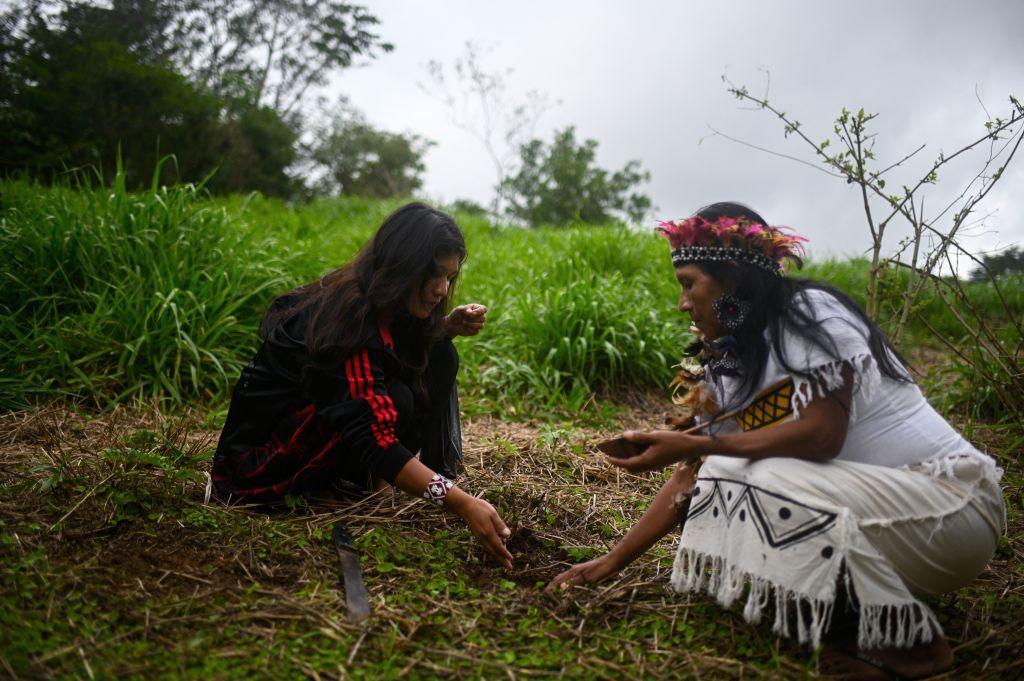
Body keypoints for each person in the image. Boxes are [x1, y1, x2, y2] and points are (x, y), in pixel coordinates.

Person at [547, 202, 1005, 678]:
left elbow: (824, 436)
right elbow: (692, 477)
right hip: (891, 528)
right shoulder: (729, 359)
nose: (683, 303)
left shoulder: (809, 313)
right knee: (723, 476)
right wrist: (612, 562)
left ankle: (914, 647)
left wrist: (699, 446)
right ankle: (859, 625)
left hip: (952, 511)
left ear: (736, 279)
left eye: (689, 283)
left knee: (745, 470)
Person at [212, 202, 513, 570]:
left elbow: (397, 352)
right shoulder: (349, 320)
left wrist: (445, 328)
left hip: (308, 431)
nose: (441, 289)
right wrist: (461, 501)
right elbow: (376, 438)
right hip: (254, 467)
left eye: (449, 278)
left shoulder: (381, 302)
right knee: (391, 403)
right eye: (434, 275)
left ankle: (367, 482)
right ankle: (349, 485)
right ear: (403, 266)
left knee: (440, 356)